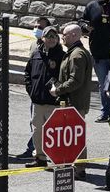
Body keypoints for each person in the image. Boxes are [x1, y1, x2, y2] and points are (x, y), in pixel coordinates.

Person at [54, 22, 94, 172]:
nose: (62, 37)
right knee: (72, 135)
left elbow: (75, 81)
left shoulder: (77, 55)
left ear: (73, 35)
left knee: (77, 136)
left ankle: (79, 169)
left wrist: (58, 90)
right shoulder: (75, 52)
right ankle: (73, 165)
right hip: (73, 102)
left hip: (75, 103)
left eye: (64, 35)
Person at [21, 21, 60, 163]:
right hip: (37, 102)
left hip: (53, 102)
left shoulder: (62, 56)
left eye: (54, 37)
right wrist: (31, 91)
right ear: (43, 38)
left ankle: (57, 159)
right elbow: (27, 73)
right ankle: (40, 157)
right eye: (48, 37)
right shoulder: (36, 54)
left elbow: (65, 77)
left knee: (54, 133)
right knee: (37, 132)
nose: (51, 39)